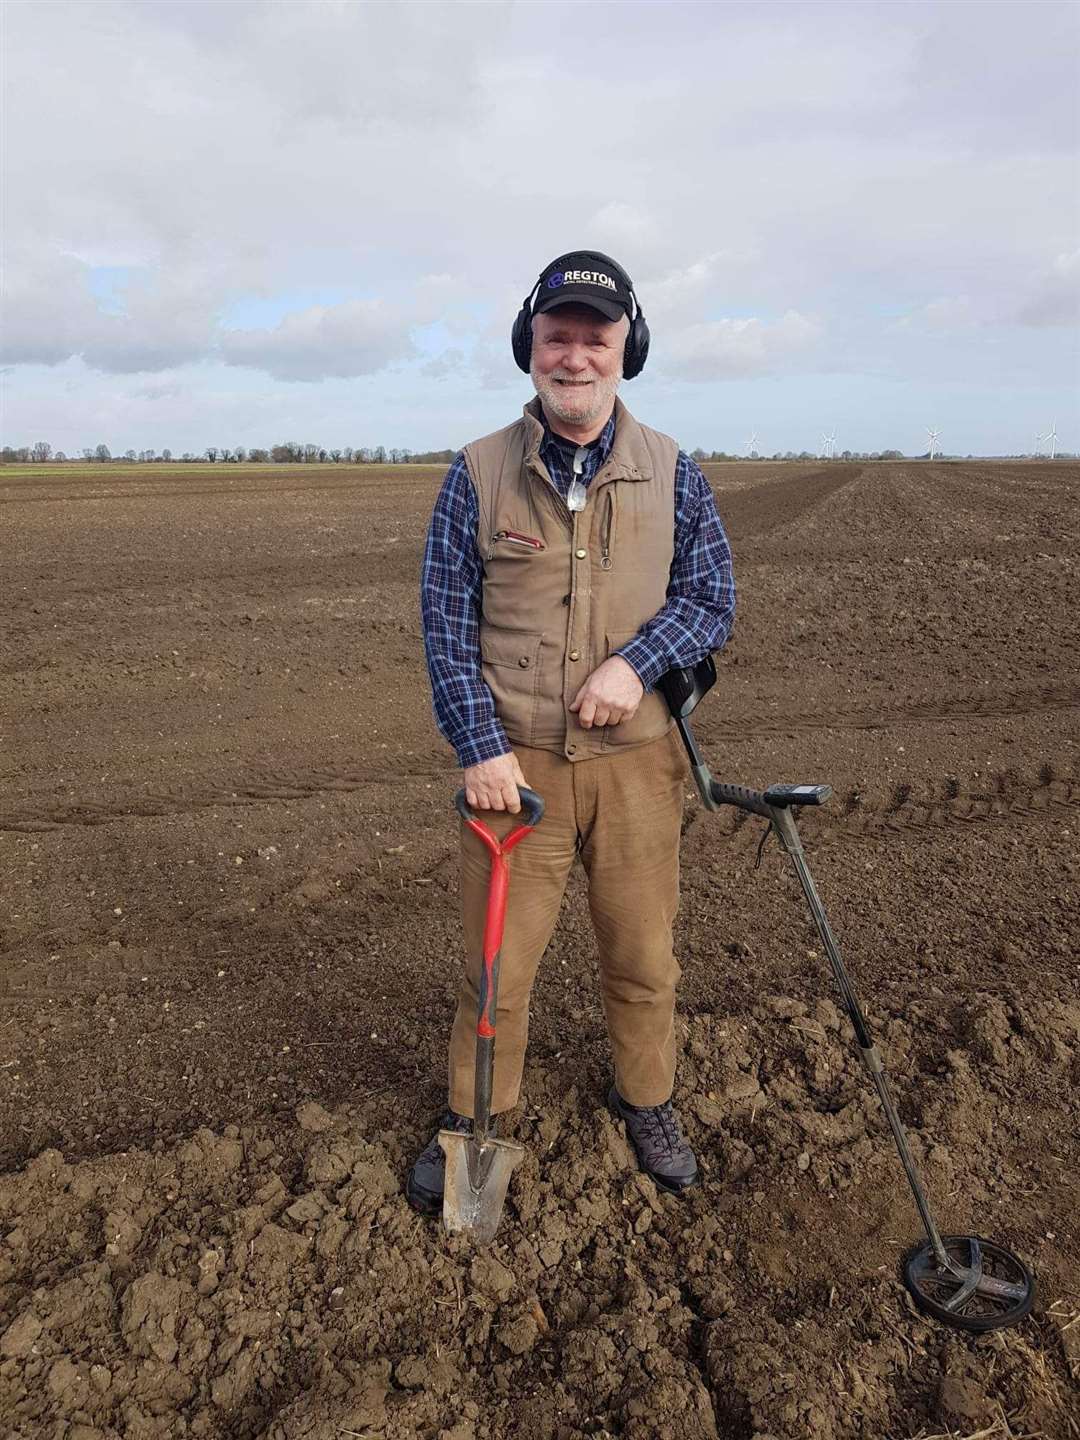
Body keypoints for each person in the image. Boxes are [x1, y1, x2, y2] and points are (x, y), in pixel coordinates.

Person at [409, 249, 735, 1215]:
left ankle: (647, 1099)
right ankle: (477, 1122)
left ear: (628, 348)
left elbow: (711, 599)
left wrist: (635, 663)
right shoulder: (476, 475)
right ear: (530, 347)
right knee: (496, 973)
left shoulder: (676, 471)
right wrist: (480, 751)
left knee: (642, 957)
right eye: (559, 335)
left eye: (598, 336)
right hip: (519, 779)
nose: (577, 355)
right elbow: (443, 624)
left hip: (639, 769)